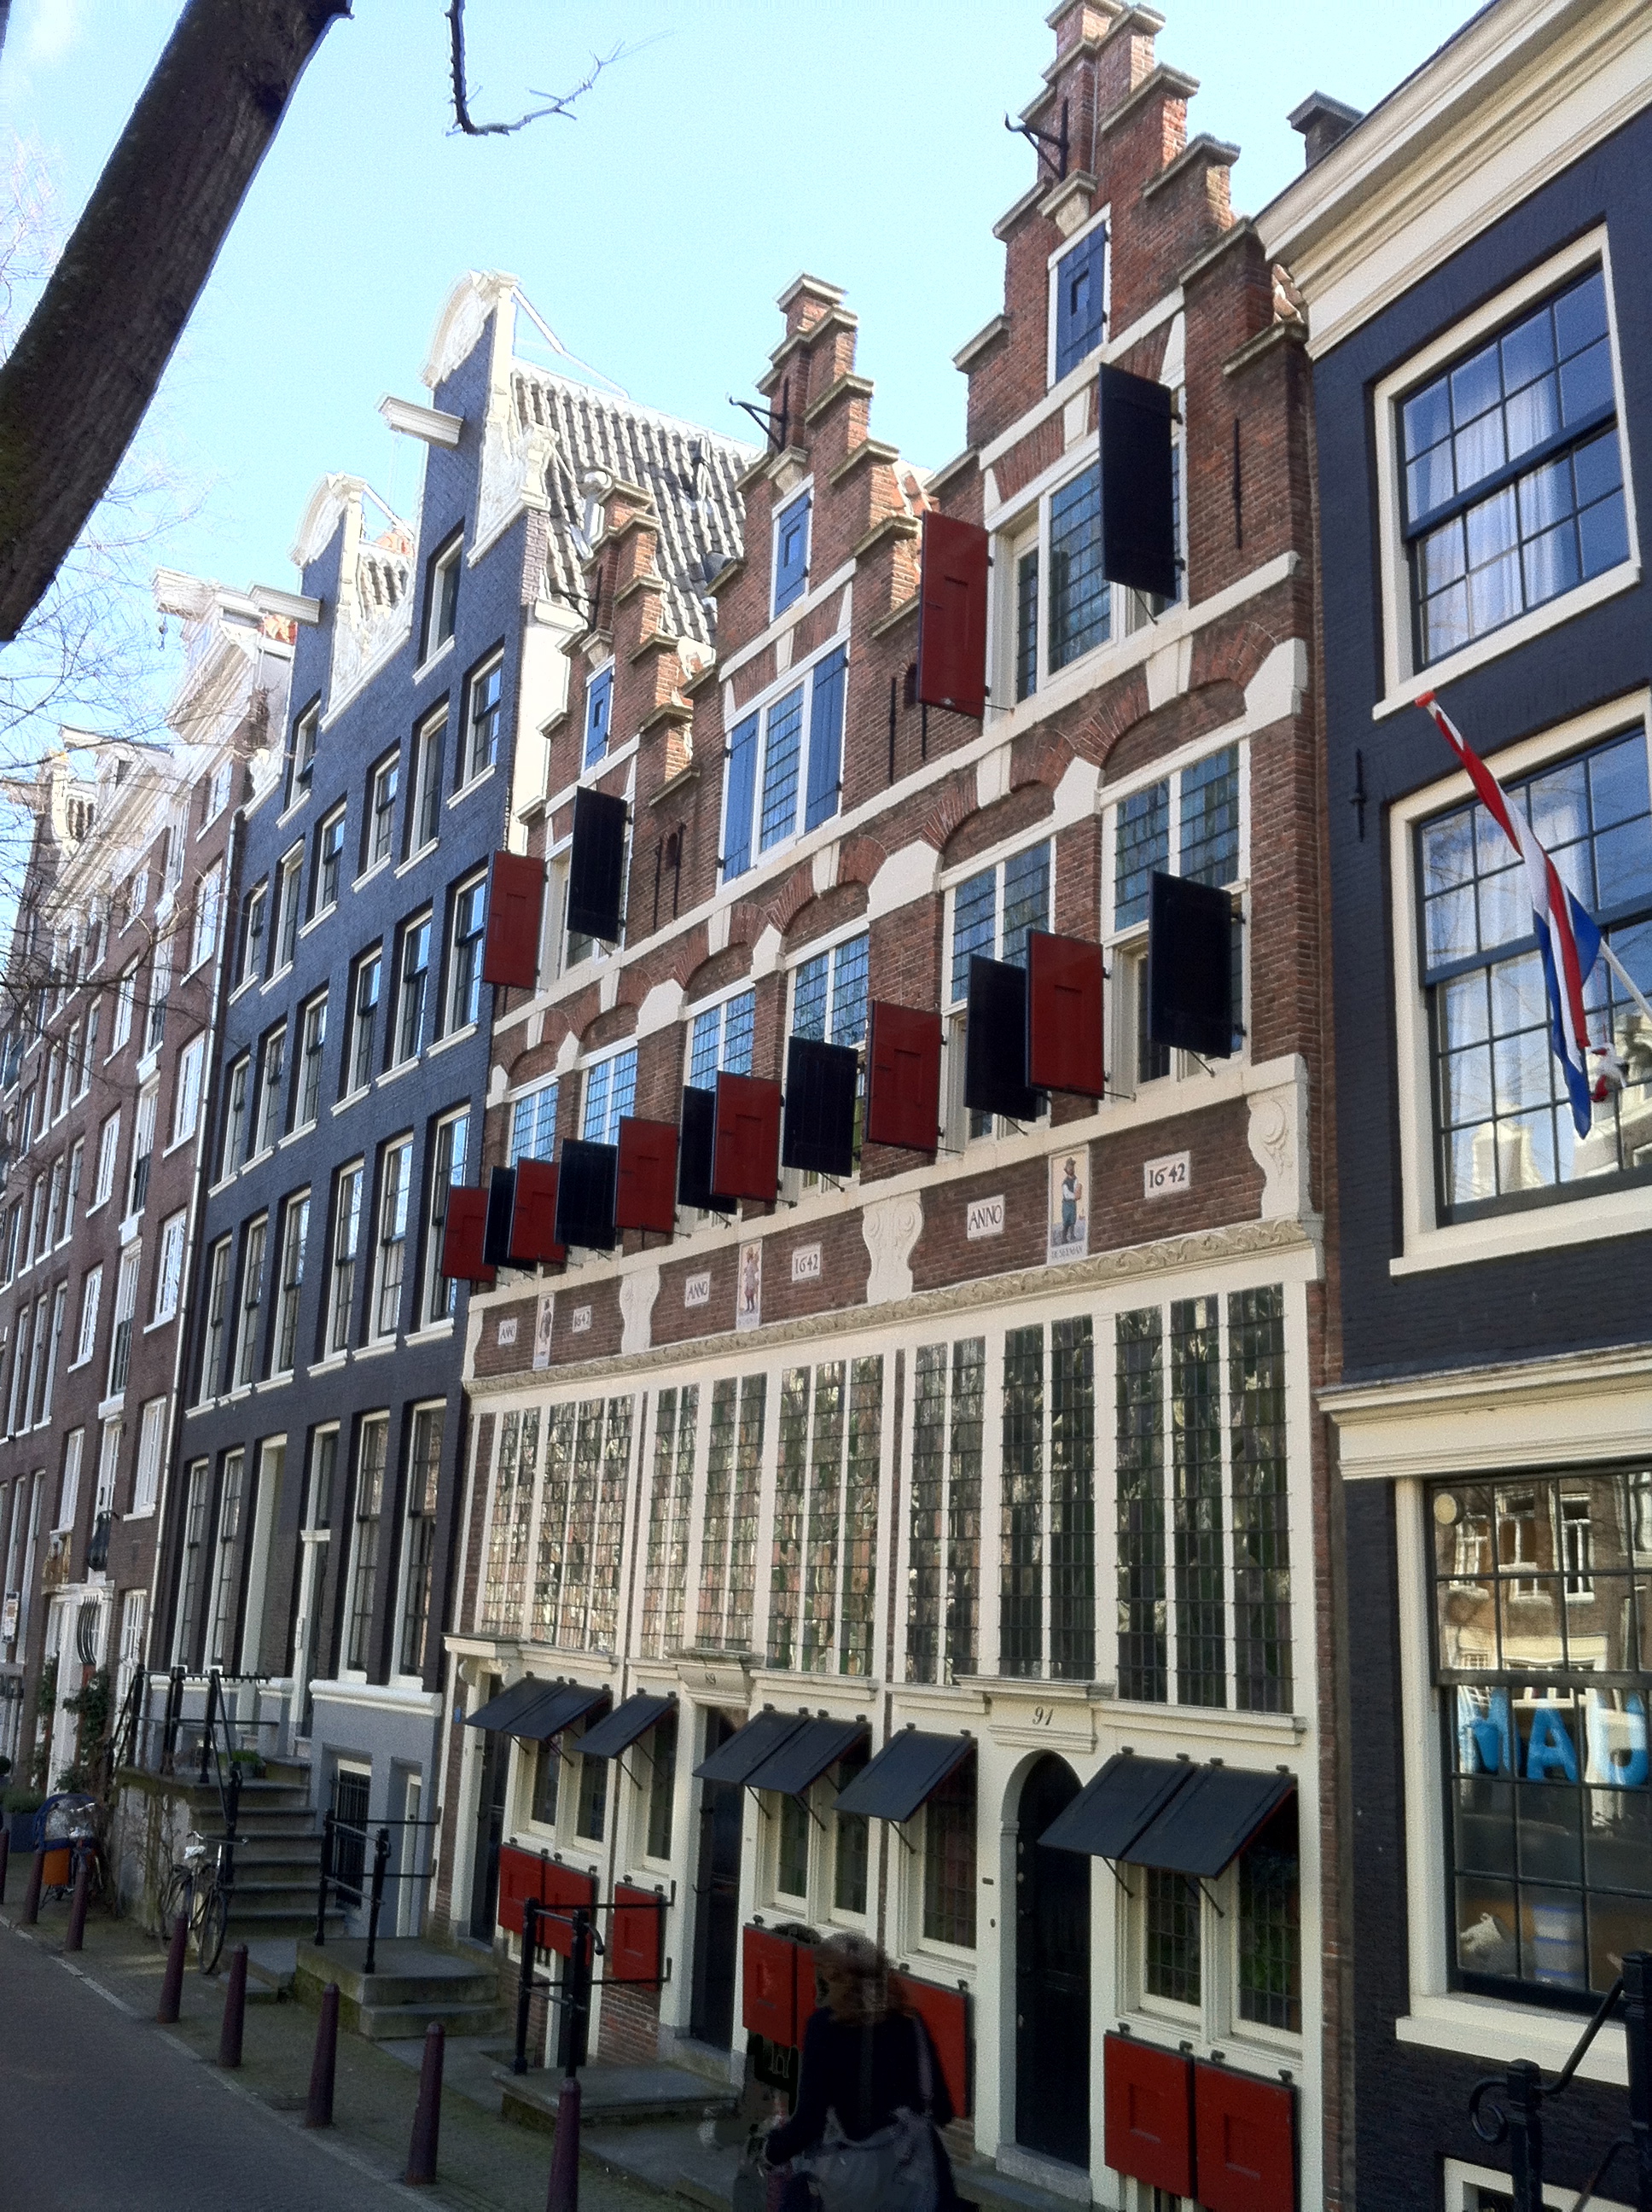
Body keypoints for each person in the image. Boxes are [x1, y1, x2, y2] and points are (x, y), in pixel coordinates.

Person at [763, 1930, 955, 2205]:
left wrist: (771, 2151)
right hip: (916, 2178)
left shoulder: (825, 2028)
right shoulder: (910, 2022)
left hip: (857, 2177)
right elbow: (942, 2110)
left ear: (832, 1979)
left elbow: (810, 2121)